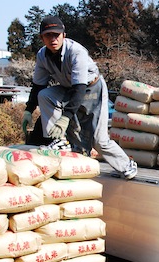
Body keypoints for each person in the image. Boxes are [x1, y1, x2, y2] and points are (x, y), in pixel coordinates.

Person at [22, 15, 137, 179]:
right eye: (48, 35)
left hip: (92, 88)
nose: (53, 39)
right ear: (42, 38)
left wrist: (65, 117)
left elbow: (80, 87)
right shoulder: (42, 56)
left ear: (64, 35)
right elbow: (38, 85)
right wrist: (28, 110)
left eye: (56, 35)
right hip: (69, 89)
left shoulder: (76, 52)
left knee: (99, 140)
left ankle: (126, 165)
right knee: (45, 95)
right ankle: (58, 141)